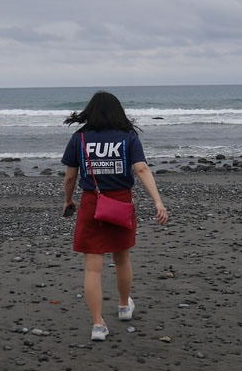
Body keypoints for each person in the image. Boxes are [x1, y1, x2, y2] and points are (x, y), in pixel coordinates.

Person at [62, 91, 168, 341]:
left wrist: (68, 200)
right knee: (122, 259)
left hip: (91, 202)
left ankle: (98, 324)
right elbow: (141, 168)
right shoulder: (127, 136)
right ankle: (123, 306)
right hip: (120, 202)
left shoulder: (80, 138)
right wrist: (157, 201)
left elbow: (70, 176)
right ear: (118, 111)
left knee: (92, 268)